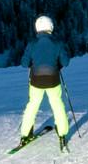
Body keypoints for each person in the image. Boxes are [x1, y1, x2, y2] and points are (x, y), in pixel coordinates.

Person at [18, 15, 72, 149]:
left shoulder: (32, 44)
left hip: (36, 80)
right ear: (51, 27)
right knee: (57, 105)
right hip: (53, 80)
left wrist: (33, 62)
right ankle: (62, 133)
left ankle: (25, 134)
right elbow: (65, 62)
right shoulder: (57, 43)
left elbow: (24, 64)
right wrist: (58, 63)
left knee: (32, 106)